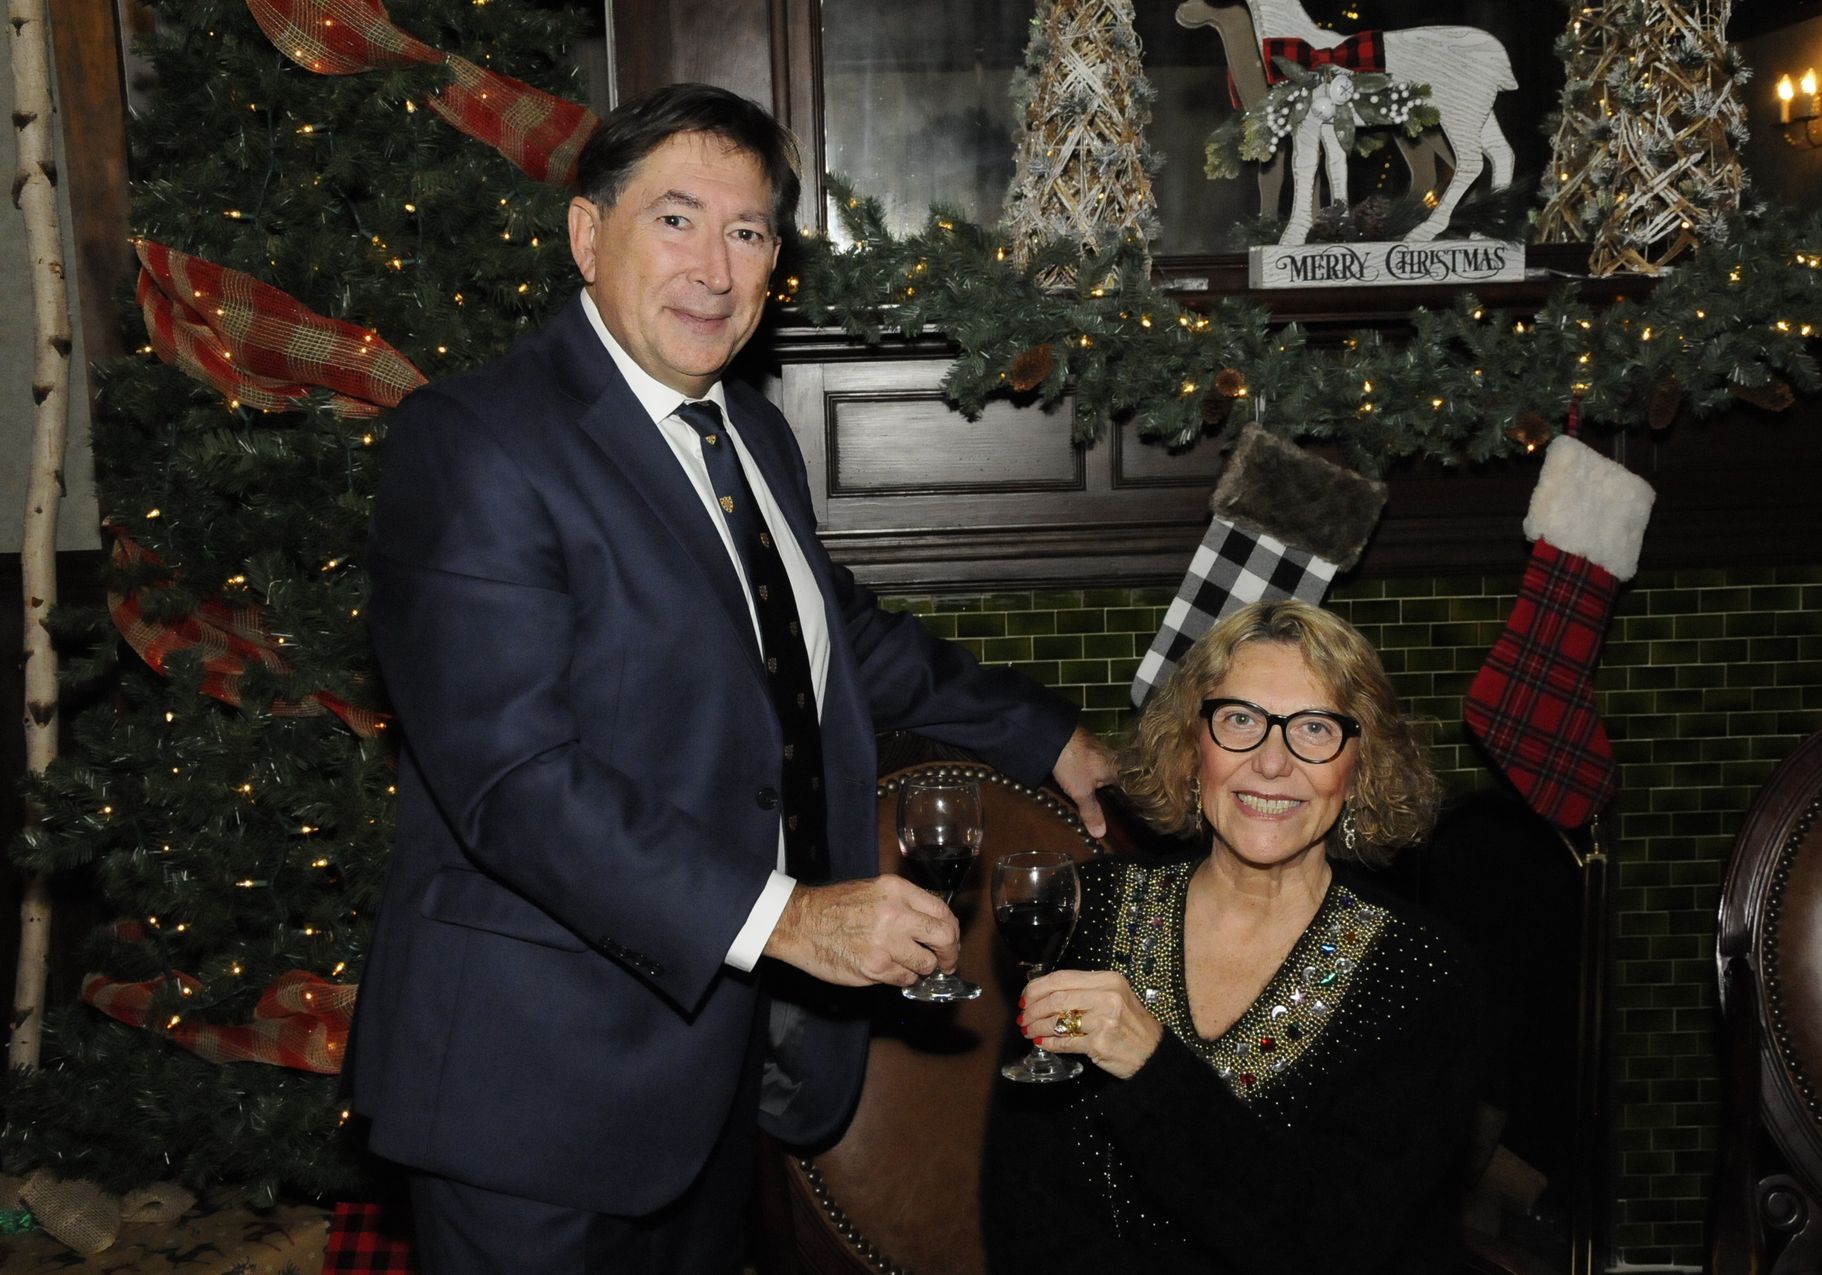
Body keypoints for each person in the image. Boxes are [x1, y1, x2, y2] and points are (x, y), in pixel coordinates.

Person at [343, 82, 1113, 1274]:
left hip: (708, 1081)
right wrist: (790, 919)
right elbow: (516, 782)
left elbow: (826, 637)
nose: (715, 266)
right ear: (587, 236)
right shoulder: (475, 442)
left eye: (748, 232)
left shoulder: (745, 433)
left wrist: (1046, 737)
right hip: (534, 1094)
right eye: (677, 219)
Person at [984, 600, 1481, 1274]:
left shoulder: (1418, 971)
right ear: (1193, 748)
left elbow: (1335, 1243)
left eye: (1313, 728)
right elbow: (1025, 1205)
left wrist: (1152, 1066)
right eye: (1240, 720)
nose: (1271, 763)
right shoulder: (1092, 909)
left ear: (1360, 765)